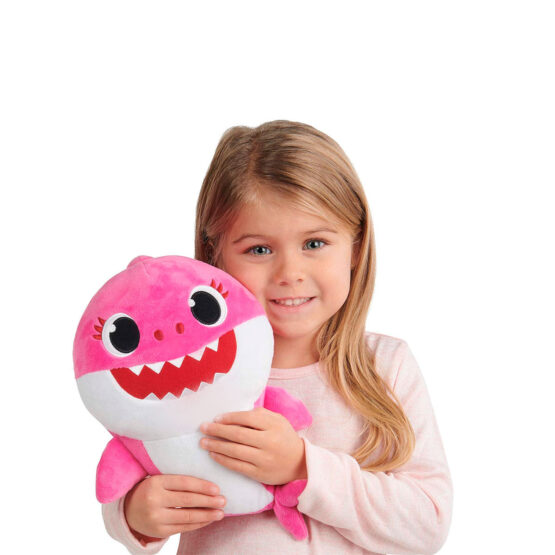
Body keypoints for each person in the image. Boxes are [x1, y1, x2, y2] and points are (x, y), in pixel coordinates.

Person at [102, 120, 453, 554]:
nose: (290, 273)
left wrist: (302, 467)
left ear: (356, 247)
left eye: (315, 243)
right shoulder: (189, 367)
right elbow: (134, 458)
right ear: (214, 256)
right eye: (259, 250)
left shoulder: (386, 364)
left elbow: (428, 521)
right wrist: (135, 515)